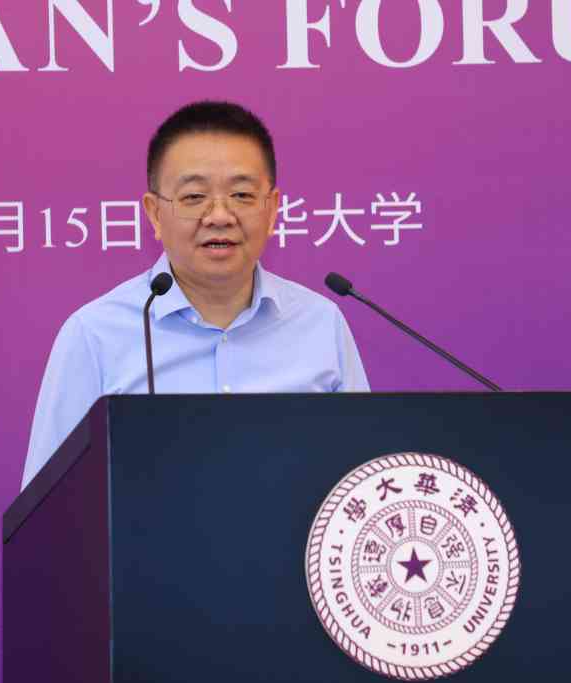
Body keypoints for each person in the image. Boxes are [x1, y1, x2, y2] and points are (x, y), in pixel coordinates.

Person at [21, 101, 369, 490]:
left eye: (241, 195)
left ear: (272, 210)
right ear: (154, 213)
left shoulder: (321, 323)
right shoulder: (95, 335)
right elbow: (48, 505)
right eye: (193, 197)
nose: (219, 215)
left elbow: (363, 486)